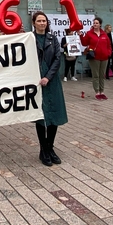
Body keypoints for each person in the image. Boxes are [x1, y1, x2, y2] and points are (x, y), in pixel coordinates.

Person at [31, 12, 68, 166]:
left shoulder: (53, 39)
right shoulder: (29, 39)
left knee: (54, 115)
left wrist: (48, 76)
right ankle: (43, 150)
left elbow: (57, 59)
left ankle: (50, 147)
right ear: (33, 23)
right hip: (36, 81)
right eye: (39, 21)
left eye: (44, 21)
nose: (42, 23)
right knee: (41, 116)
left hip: (51, 81)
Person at [79, 17, 112, 100]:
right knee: (96, 75)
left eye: (97, 23)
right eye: (94, 23)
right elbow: (84, 43)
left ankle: (102, 91)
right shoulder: (89, 33)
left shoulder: (104, 34)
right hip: (94, 57)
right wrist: (80, 35)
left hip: (104, 57)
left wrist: (108, 53)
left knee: (102, 75)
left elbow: (109, 45)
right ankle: (97, 92)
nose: (95, 24)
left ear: (100, 24)